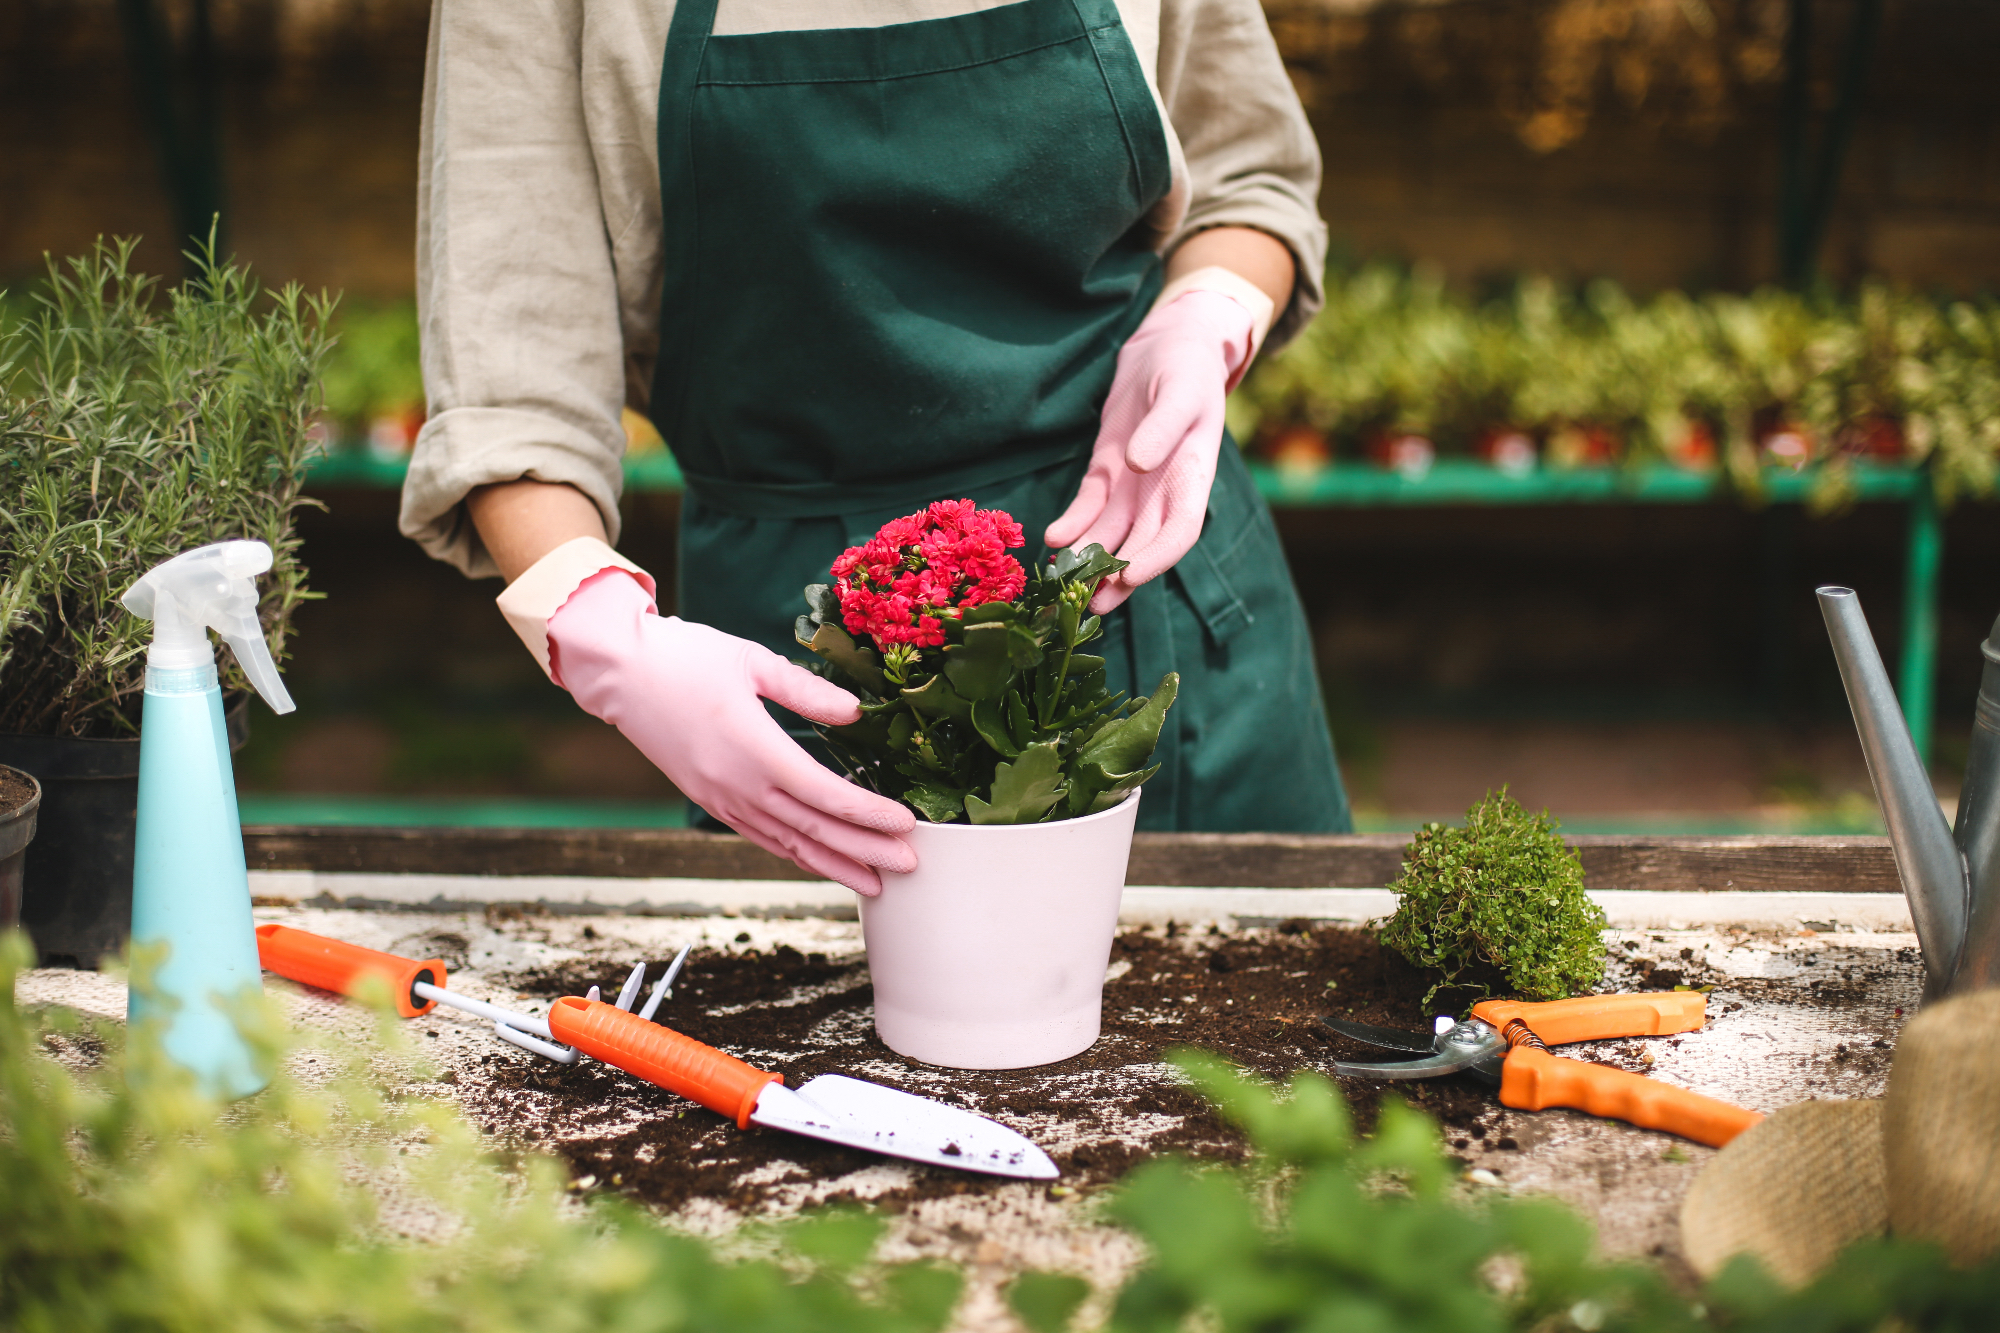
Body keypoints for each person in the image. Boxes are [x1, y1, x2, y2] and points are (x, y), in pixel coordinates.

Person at [400, 0, 1353, 897]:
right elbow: (511, 387)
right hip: (808, 672)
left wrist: (1200, 319)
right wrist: (611, 637)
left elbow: (1248, 175)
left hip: (1141, 582)